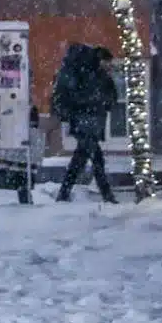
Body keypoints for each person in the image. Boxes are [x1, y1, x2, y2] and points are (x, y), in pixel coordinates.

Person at [50, 43, 119, 204]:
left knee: (80, 160)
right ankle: (107, 196)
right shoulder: (90, 74)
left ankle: (64, 194)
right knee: (97, 161)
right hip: (86, 123)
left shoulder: (96, 74)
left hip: (88, 123)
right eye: (108, 62)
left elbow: (109, 98)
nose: (109, 66)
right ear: (101, 60)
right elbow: (87, 97)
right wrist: (98, 102)